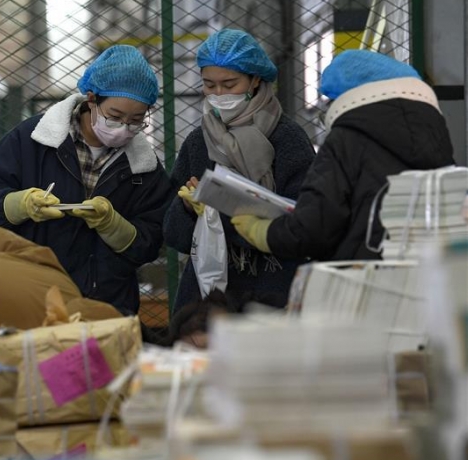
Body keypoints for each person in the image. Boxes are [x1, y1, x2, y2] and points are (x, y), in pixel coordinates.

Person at [0, 45, 174, 314]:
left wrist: (114, 226)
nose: (124, 128)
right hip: (33, 293)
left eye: (136, 121)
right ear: (91, 99)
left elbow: (153, 238)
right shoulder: (34, 139)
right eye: (115, 117)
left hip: (108, 301)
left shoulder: (144, 167)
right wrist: (21, 204)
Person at [231, 49, 455, 261]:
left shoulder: (346, 140)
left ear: (342, 99)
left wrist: (262, 231)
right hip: (432, 271)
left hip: (363, 274)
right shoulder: (435, 136)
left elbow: (314, 228)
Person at [163, 29, 315, 314]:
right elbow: (174, 235)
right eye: (209, 85)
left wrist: (221, 214)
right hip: (208, 295)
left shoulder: (288, 139)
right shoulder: (197, 142)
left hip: (274, 289)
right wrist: (187, 208)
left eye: (229, 84)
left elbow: (305, 223)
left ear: (255, 80)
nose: (219, 94)